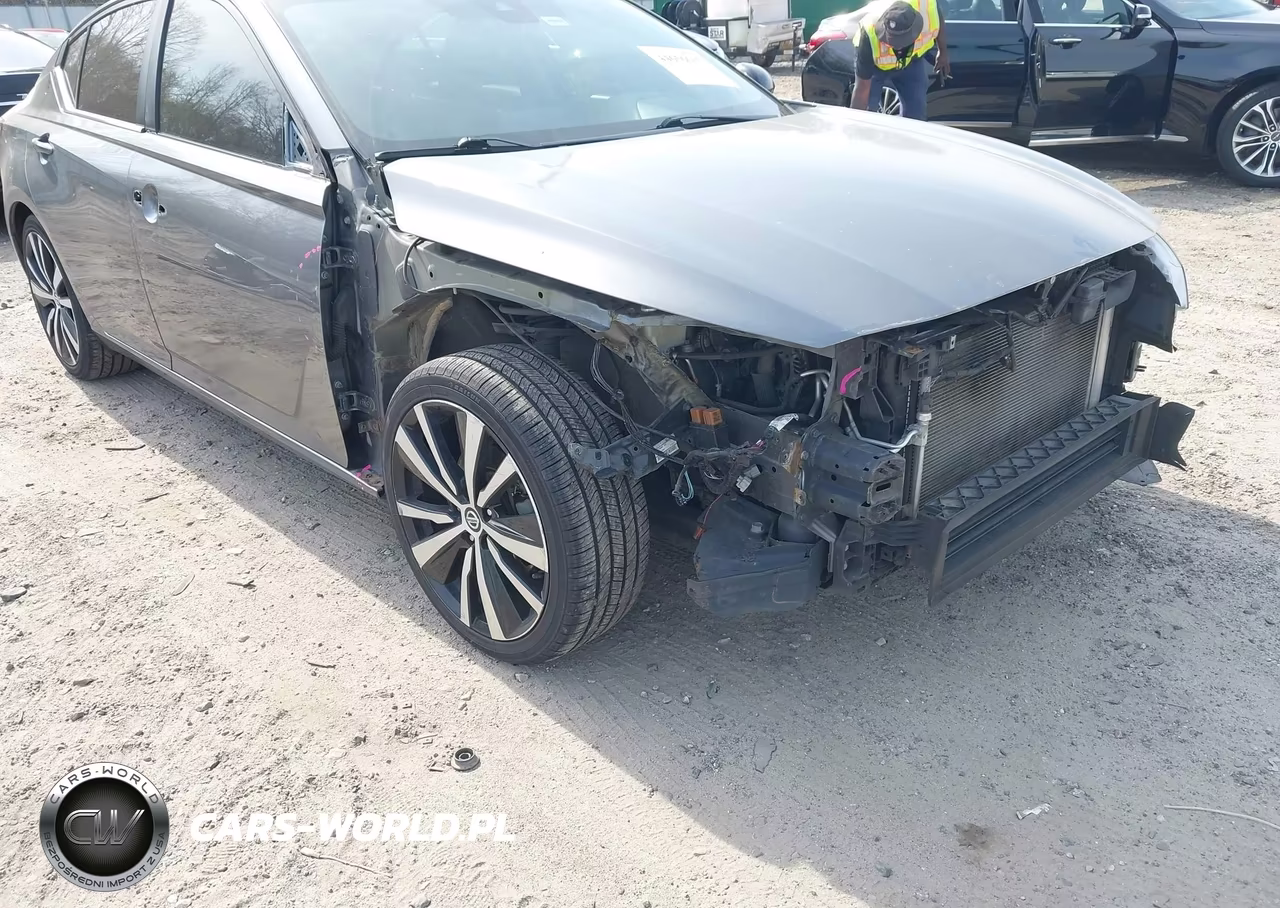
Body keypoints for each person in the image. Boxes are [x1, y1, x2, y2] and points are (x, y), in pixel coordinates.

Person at [848, 0, 949, 121]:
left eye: (901, 41)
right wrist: (855, 124)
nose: (897, 47)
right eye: (891, 41)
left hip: (911, 63)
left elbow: (937, 18)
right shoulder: (868, 36)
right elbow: (862, 89)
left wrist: (943, 52)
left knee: (916, 114)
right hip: (876, 69)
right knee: (867, 115)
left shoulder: (925, 6)